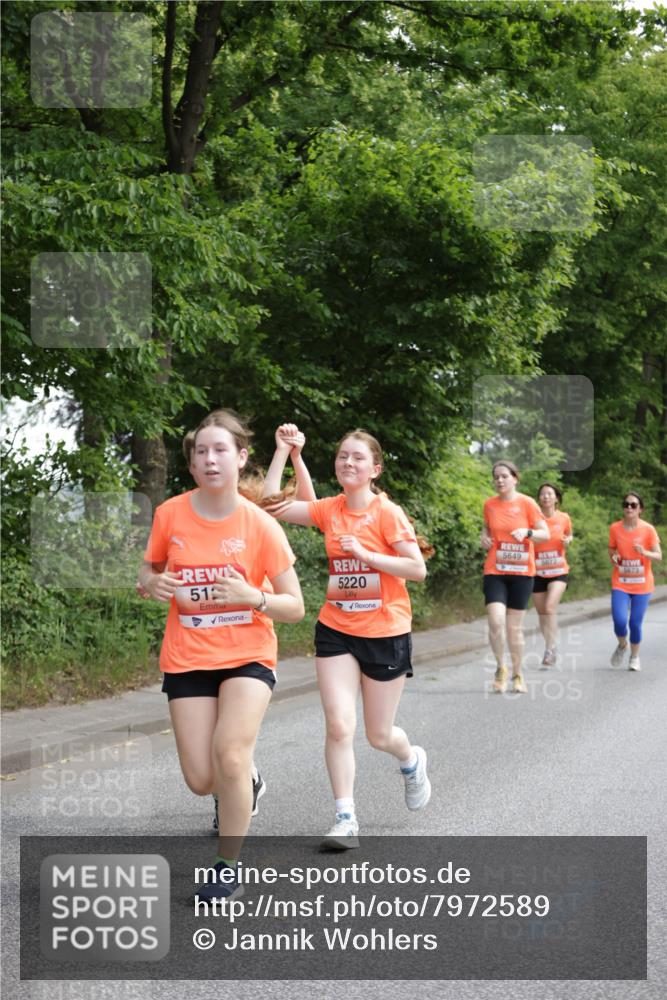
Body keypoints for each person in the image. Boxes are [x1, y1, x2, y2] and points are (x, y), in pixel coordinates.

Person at [138, 409, 304, 900]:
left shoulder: (260, 526)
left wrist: (251, 597)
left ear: (240, 457)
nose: (210, 460)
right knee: (201, 778)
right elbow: (147, 573)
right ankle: (246, 781)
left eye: (220, 450)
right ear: (191, 465)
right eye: (201, 452)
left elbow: (294, 606)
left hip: (247, 655)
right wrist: (153, 582)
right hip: (188, 656)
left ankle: (226, 864)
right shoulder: (170, 514)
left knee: (229, 752)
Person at [264, 426, 432, 849]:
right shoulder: (331, 509)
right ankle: (345, 818)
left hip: (386, 632)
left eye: (358, 458)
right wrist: (286, 452)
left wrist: (366, 554)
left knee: (379, 735)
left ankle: (411, 761)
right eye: (342, 456)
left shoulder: (386, 513)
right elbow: (271, 506)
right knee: (339, 725)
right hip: (337, 629)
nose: (348, 463)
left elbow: (417, 569)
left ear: (374, 469)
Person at [481, 461, 550, 694]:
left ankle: (518, 673)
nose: (500, 480)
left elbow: (545, 534)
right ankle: (501, 668)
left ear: (515, 478)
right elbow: (486, 529)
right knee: (495, 621)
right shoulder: (489, 505)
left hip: (522, 573)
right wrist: (484, 538)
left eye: (504, 476)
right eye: (496, 477)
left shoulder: (527, 503)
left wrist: (528, 532)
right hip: (495, 571)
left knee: (513, 629)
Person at [608, 492, 662, 671]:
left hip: (642, 584)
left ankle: (635, 657)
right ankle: (623, 645)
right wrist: (614, 557)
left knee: (635, 623)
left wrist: (644, 553)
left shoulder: (648, 529)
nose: (629, 507)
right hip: (621, 582)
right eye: (626, 504)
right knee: (619, 620)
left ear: (640, 509)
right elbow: (612, 549)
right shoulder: (615, 528)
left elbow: (659, 556)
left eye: (633, 505)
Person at [532, 483, 573, 667]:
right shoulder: (533, 519)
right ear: (539, 498)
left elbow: (569, 534)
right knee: (541, 613)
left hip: (558, 571)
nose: (546, 497)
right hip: (537, 571)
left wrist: (568, 541)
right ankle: (551, 644)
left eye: (550, 494)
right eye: (542, 494)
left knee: (549, 608)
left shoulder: (564, 517)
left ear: (556, 498)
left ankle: (549, 650)